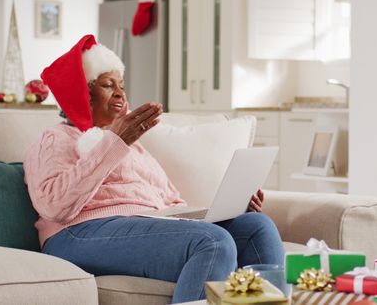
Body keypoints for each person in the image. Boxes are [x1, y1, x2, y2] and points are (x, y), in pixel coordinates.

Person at [24, 35, 284, 303]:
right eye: (107, 85)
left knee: (257, 226)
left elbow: (172, 204)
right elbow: (53, 204)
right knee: (213, 242)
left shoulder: (135, 148)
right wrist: (115, 142)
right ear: (81, 91)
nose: (120, 94)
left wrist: (233, 207)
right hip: (78, 234)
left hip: (146, 227)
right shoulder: (57, 138)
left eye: (122, 86)